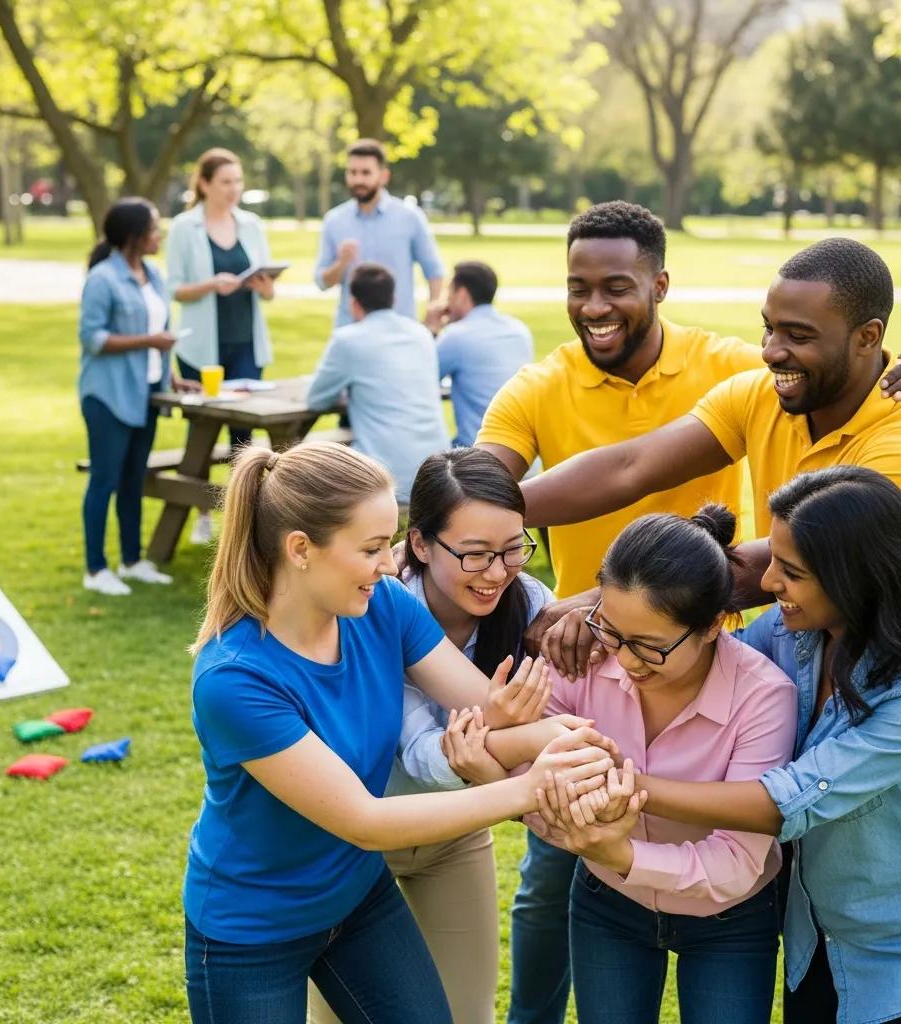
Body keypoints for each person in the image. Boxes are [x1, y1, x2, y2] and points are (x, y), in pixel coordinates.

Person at [183, 440, 616, 1024]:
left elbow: (483, 704)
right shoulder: (235, 680)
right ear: (301, 550)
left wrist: (564, 736)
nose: (391, 566)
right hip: (252, 930)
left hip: (356, 898)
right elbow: (364, 820)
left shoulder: (382, 605)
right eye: (370, 549)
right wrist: (530, 787)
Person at [473, 200, 764, 1024]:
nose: (594, 306)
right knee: (552, 874)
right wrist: (450, 523)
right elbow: (489, 484)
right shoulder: (540, 385)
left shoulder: (730, 367)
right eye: (577, 286)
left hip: (709, 666)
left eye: (616, 287)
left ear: (660, 284)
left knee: (726, 856)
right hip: (584, 671)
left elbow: (820, 369)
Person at [539, 466, 901, 1024]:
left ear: (854, 578)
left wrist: (623, 786)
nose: (769, 581)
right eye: (773, 559)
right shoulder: (791, 634)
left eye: (792, 570)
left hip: (883, 941)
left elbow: (780, 802)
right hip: (811, 926)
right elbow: (695, 640)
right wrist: (605, 616)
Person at [519, 237, 901, 613]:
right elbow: (629, 468)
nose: (770, 351)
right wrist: (489, 510)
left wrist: (605, 603)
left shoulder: (893, 431)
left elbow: (803, 553)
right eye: (769, 328)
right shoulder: (757, 395)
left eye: (798, 336)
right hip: (789, 635)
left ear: (867, 337)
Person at [309, 447, 556, 1024]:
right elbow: (420, 752)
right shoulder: (372, 610)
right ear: (419, 544)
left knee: (466, 1015)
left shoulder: (529, 606)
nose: (497, 572)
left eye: (514, 549)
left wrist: (498, 749)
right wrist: (511, 735)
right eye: (474, 555)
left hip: (455, 835)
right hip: (356, 841)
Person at [527, 504, 797, 1024]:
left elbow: (739, 859)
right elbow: (530, 768)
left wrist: (624, 853)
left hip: (730, 919)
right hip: (607, 902)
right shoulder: (588, 654)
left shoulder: (764, 698)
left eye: (650, 648)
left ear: (714, 625)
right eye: (611, 630)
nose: (624, 661)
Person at [167, 147, 276, 543]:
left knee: (243, 438)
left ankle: (242, 523)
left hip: (245, 342)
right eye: (226, 182)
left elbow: (267, 294)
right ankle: (200, 515)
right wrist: (213, 284)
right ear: (205, 184)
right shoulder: (184, 227)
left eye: (238, 181)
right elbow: (174, 289)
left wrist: (264, 287)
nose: (234, 189)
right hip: (202, 348)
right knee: (202, 435)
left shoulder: (251, 224)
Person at [77, 197, 178, 596]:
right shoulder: (103, 278)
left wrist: (172, 375)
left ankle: (133, 561)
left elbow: (161, 330)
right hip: (108, 396)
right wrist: (148, 341)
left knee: (134, 479)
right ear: (135, 236)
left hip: (146, 394)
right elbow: (92, 338)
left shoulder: (153, 275)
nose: (160, 235)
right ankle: (95, 568)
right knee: (105, 480)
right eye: (154, 228)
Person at [307, 263, 450, 503]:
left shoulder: (348, 340)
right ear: (393, 298)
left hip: (382, 475)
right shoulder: (421, 333)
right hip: (437, 469)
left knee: (316, 478)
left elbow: (316, 399)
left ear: (353, 303)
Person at [315, 138, 444, 328]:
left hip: (399, 331)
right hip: (350, 331)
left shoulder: (409, 217)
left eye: (366, 173)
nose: (358, 180)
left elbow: (435, 272)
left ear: (383, 176)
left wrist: (431, 321)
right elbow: (322, 283)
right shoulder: (334, 221)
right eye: (353, 172)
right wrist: (341, 263)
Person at [425, 261, 534, 447]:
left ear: (461, 294)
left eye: (449, 293)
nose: (447, 301)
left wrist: (432, 329)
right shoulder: (519, 330)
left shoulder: (457, 335)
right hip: (526, 452)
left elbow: (419, 379)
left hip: (480, 454)